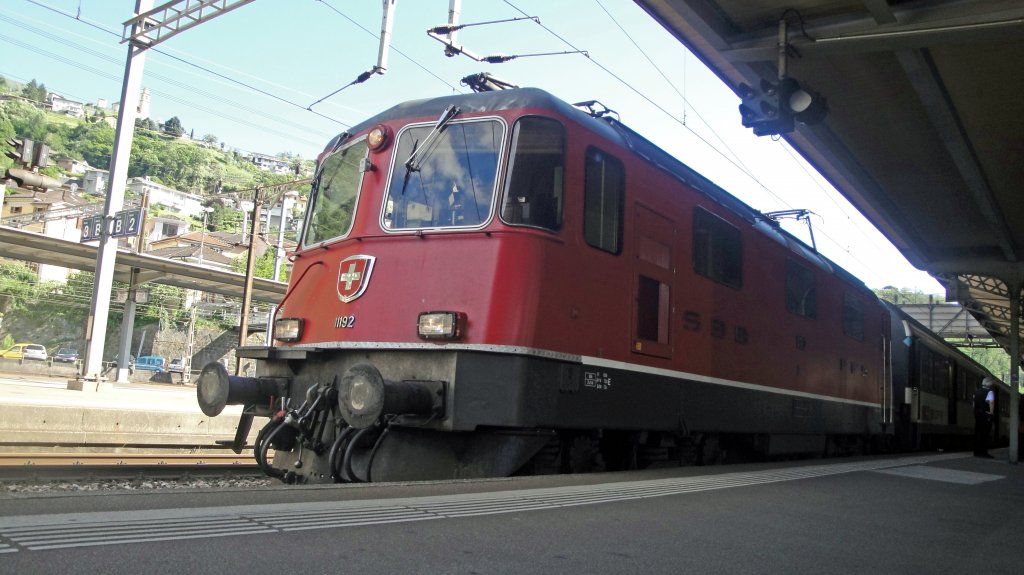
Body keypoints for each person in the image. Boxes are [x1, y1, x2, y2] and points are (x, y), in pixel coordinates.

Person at [973, 377, 995, 458]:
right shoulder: (990, 392)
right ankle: (983, 452)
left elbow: (974, 404)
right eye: (991, 383)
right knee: (985, 434)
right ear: (988, 383)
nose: (992, 384)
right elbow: (991, 403)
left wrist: (975, 412)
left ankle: (976, 452)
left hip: (977, 414)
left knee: (977, 433)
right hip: (986, 415)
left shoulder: (976, 391)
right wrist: (991, 413)